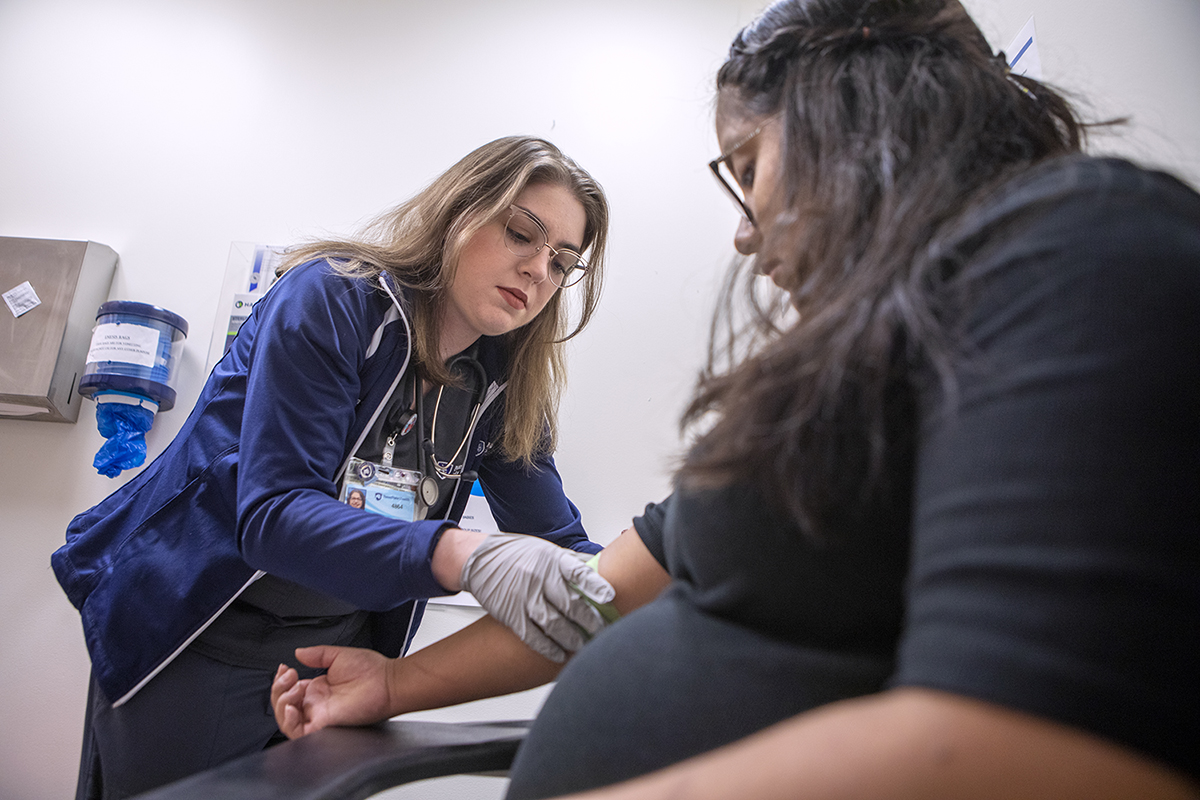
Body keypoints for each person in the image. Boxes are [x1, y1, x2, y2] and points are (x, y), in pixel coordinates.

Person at [271, 2, 1200, 798]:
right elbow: (600, 600)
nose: (746, 236)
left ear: (855, 113)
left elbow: (1053, 741)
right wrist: (396, 686)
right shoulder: (862, 368)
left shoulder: (1079, 251)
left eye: (747, 166)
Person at [52, 135, 618, 800]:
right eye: (522, 233)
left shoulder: (503, 380)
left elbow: (561, 541)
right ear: (459, 210)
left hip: (335, 651)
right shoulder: (334, 299)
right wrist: (465, 554)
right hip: (203, 630)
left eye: (562, 262)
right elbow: (275, 517)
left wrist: (650, 587)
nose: (537, 271)